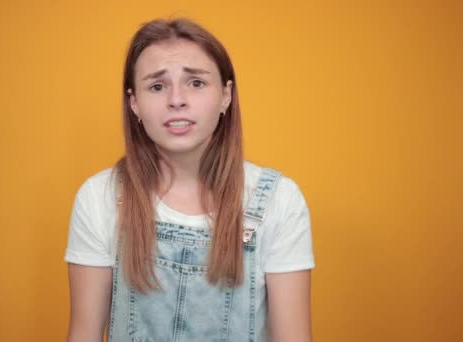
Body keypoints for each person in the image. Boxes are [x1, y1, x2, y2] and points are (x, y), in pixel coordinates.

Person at [65, 17, 315, 342]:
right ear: (135, 103)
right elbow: (83, 334)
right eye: (157, 86)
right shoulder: (99, 197)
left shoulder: (279, 200)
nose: (176, 99)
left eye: (195, 83)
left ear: (226, 95)